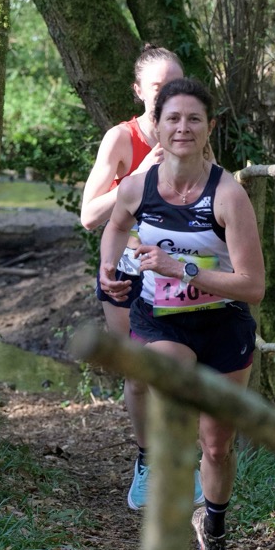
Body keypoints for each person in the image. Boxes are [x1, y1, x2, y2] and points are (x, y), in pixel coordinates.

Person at [99, 77, 265, 550]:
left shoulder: (228, 195)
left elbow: (253, 286)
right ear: (158, 125)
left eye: (194, 118)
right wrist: (109, 267)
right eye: (173, 118)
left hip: (223, 325)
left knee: (217, 446)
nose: (183, 128)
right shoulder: (138, 187)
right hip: (160, 320)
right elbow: (115, 225)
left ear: (209, 127)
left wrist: (183, 270)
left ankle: (212, 529)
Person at [80, 45, 189, 510]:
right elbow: (89, 216)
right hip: (126, 271)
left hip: (177, 269)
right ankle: (147, 463)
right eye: (159, 87)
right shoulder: (121, 139)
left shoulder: (189, 132)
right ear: (139, 91)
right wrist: (139, 175)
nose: (168, 95)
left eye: (175, 84)